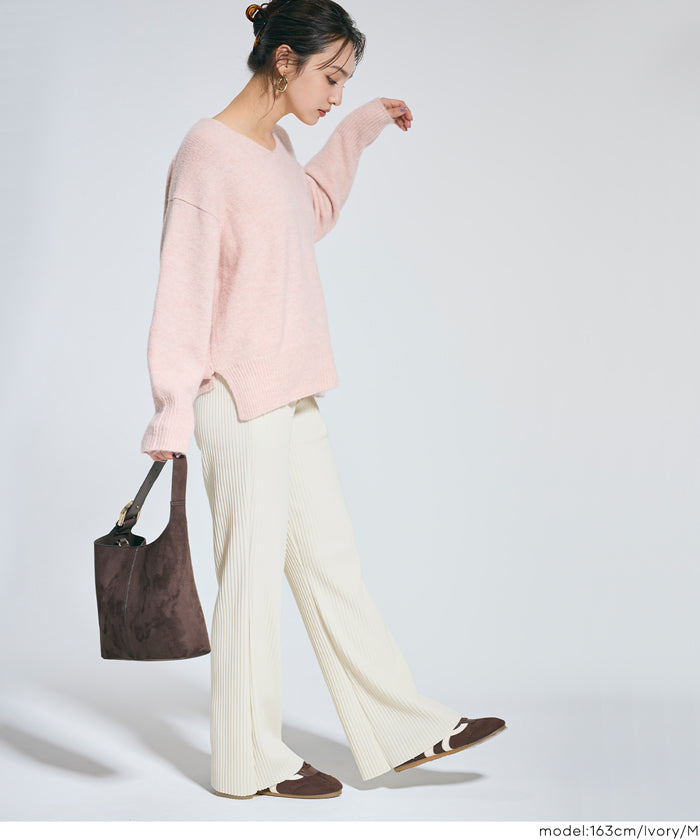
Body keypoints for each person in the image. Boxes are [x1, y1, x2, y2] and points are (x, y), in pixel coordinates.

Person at [140, 0, 506, 801]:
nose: (336, 94)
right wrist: (172, 408)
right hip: (236, 397)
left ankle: (402, 729)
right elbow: (183, 286)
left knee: (332, 566)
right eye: (331, 78)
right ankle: (245, 763)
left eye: (346, 81)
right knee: (250, 585)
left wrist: (359, 130)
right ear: (283, 61)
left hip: (292, 388)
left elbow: (307, 215)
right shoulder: (206, 152)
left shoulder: (275, 148)